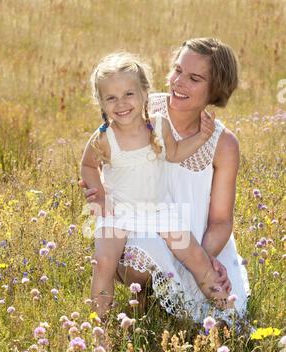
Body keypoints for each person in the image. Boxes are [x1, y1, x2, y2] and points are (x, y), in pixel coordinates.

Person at [81, 38, 250, 327]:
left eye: (194, 78)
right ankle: (120, 314)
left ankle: (232, 327)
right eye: (177, 70)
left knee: (205, 280)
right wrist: (98, 194)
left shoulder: (223, 142)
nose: (179, 82)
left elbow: (221, 221)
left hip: (188, 236)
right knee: (136, 256)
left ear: (215, 89)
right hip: (132, 223)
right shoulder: (139, 109)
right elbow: (96, 157)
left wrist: (201, 259)